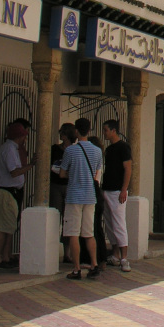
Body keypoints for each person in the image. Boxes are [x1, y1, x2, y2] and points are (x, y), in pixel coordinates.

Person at [58, 117, 103, 279]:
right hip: (90, 196)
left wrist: (73, 173)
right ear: (89, 130)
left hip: (74, 196)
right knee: (89, 233)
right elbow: (96, 172)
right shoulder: (97, 151)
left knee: (73, 233)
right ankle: (94, 264)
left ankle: (77, 268)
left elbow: (62, 173)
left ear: (76, 131)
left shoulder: (70, 150)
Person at [0, 118, 33, 268]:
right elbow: (14, 172)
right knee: (3, 226)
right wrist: (30, 166)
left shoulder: (12, 148)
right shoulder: (9, 149)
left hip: (11, 191)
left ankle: (6, 256)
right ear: (20, 136)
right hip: (6, 191)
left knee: (9, 226)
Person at [101, 119, 133, 271]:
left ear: (114, 130)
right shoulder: (109, 149)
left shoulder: (123, 147)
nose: (104, 133)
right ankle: (115, 254)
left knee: (119, 223)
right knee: (109, 223)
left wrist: (124, 189)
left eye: (106, 130)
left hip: (117, 191)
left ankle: (124, 257)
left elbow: (128, 168)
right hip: (106, 189)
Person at [50, 122, 77, 262]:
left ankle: (67, 253)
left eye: (63, 133)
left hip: (68, 185)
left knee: (68, 219)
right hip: (55, 185)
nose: (61, 135)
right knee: (55, 217)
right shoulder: (55, 149)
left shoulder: (74, 150)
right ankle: (52, 250)